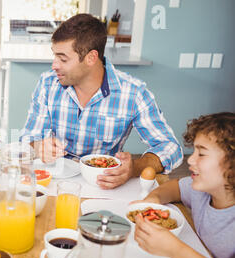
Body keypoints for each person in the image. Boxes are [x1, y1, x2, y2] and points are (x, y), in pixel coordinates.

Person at [20, 13, 183, 189]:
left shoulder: (133, 92)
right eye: (54, 56)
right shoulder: (48, 83)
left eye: (63, 58)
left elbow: (170, 147)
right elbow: (27, 138)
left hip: (103, 185)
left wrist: (134, 168)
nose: (54, 65)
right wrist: (37, 147)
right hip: (54, 182)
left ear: (91, 57)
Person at [133, 112, 235, 258]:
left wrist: (175, 250)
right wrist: (154, 199)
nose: (190, 160)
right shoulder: (202, 190)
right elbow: (174, 188)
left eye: (201, 154)